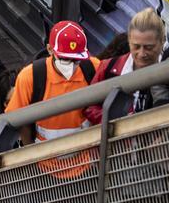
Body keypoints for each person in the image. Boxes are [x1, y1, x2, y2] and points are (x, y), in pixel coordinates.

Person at [6, 21, 101, 182]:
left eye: (75, 61)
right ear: (50, 50)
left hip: (88, 166)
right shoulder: (30, 77)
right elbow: (18, 120)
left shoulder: (93, 68)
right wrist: (31, 156)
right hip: (44, 169)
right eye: (65, 59)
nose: (70, 66)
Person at [84, 8, 169, 124]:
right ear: (129, 40)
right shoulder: (108, 67)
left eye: (149, 47)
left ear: (162, 42)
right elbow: (89, 105)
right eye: (136, 46)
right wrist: (114, 121)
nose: (142, 54)